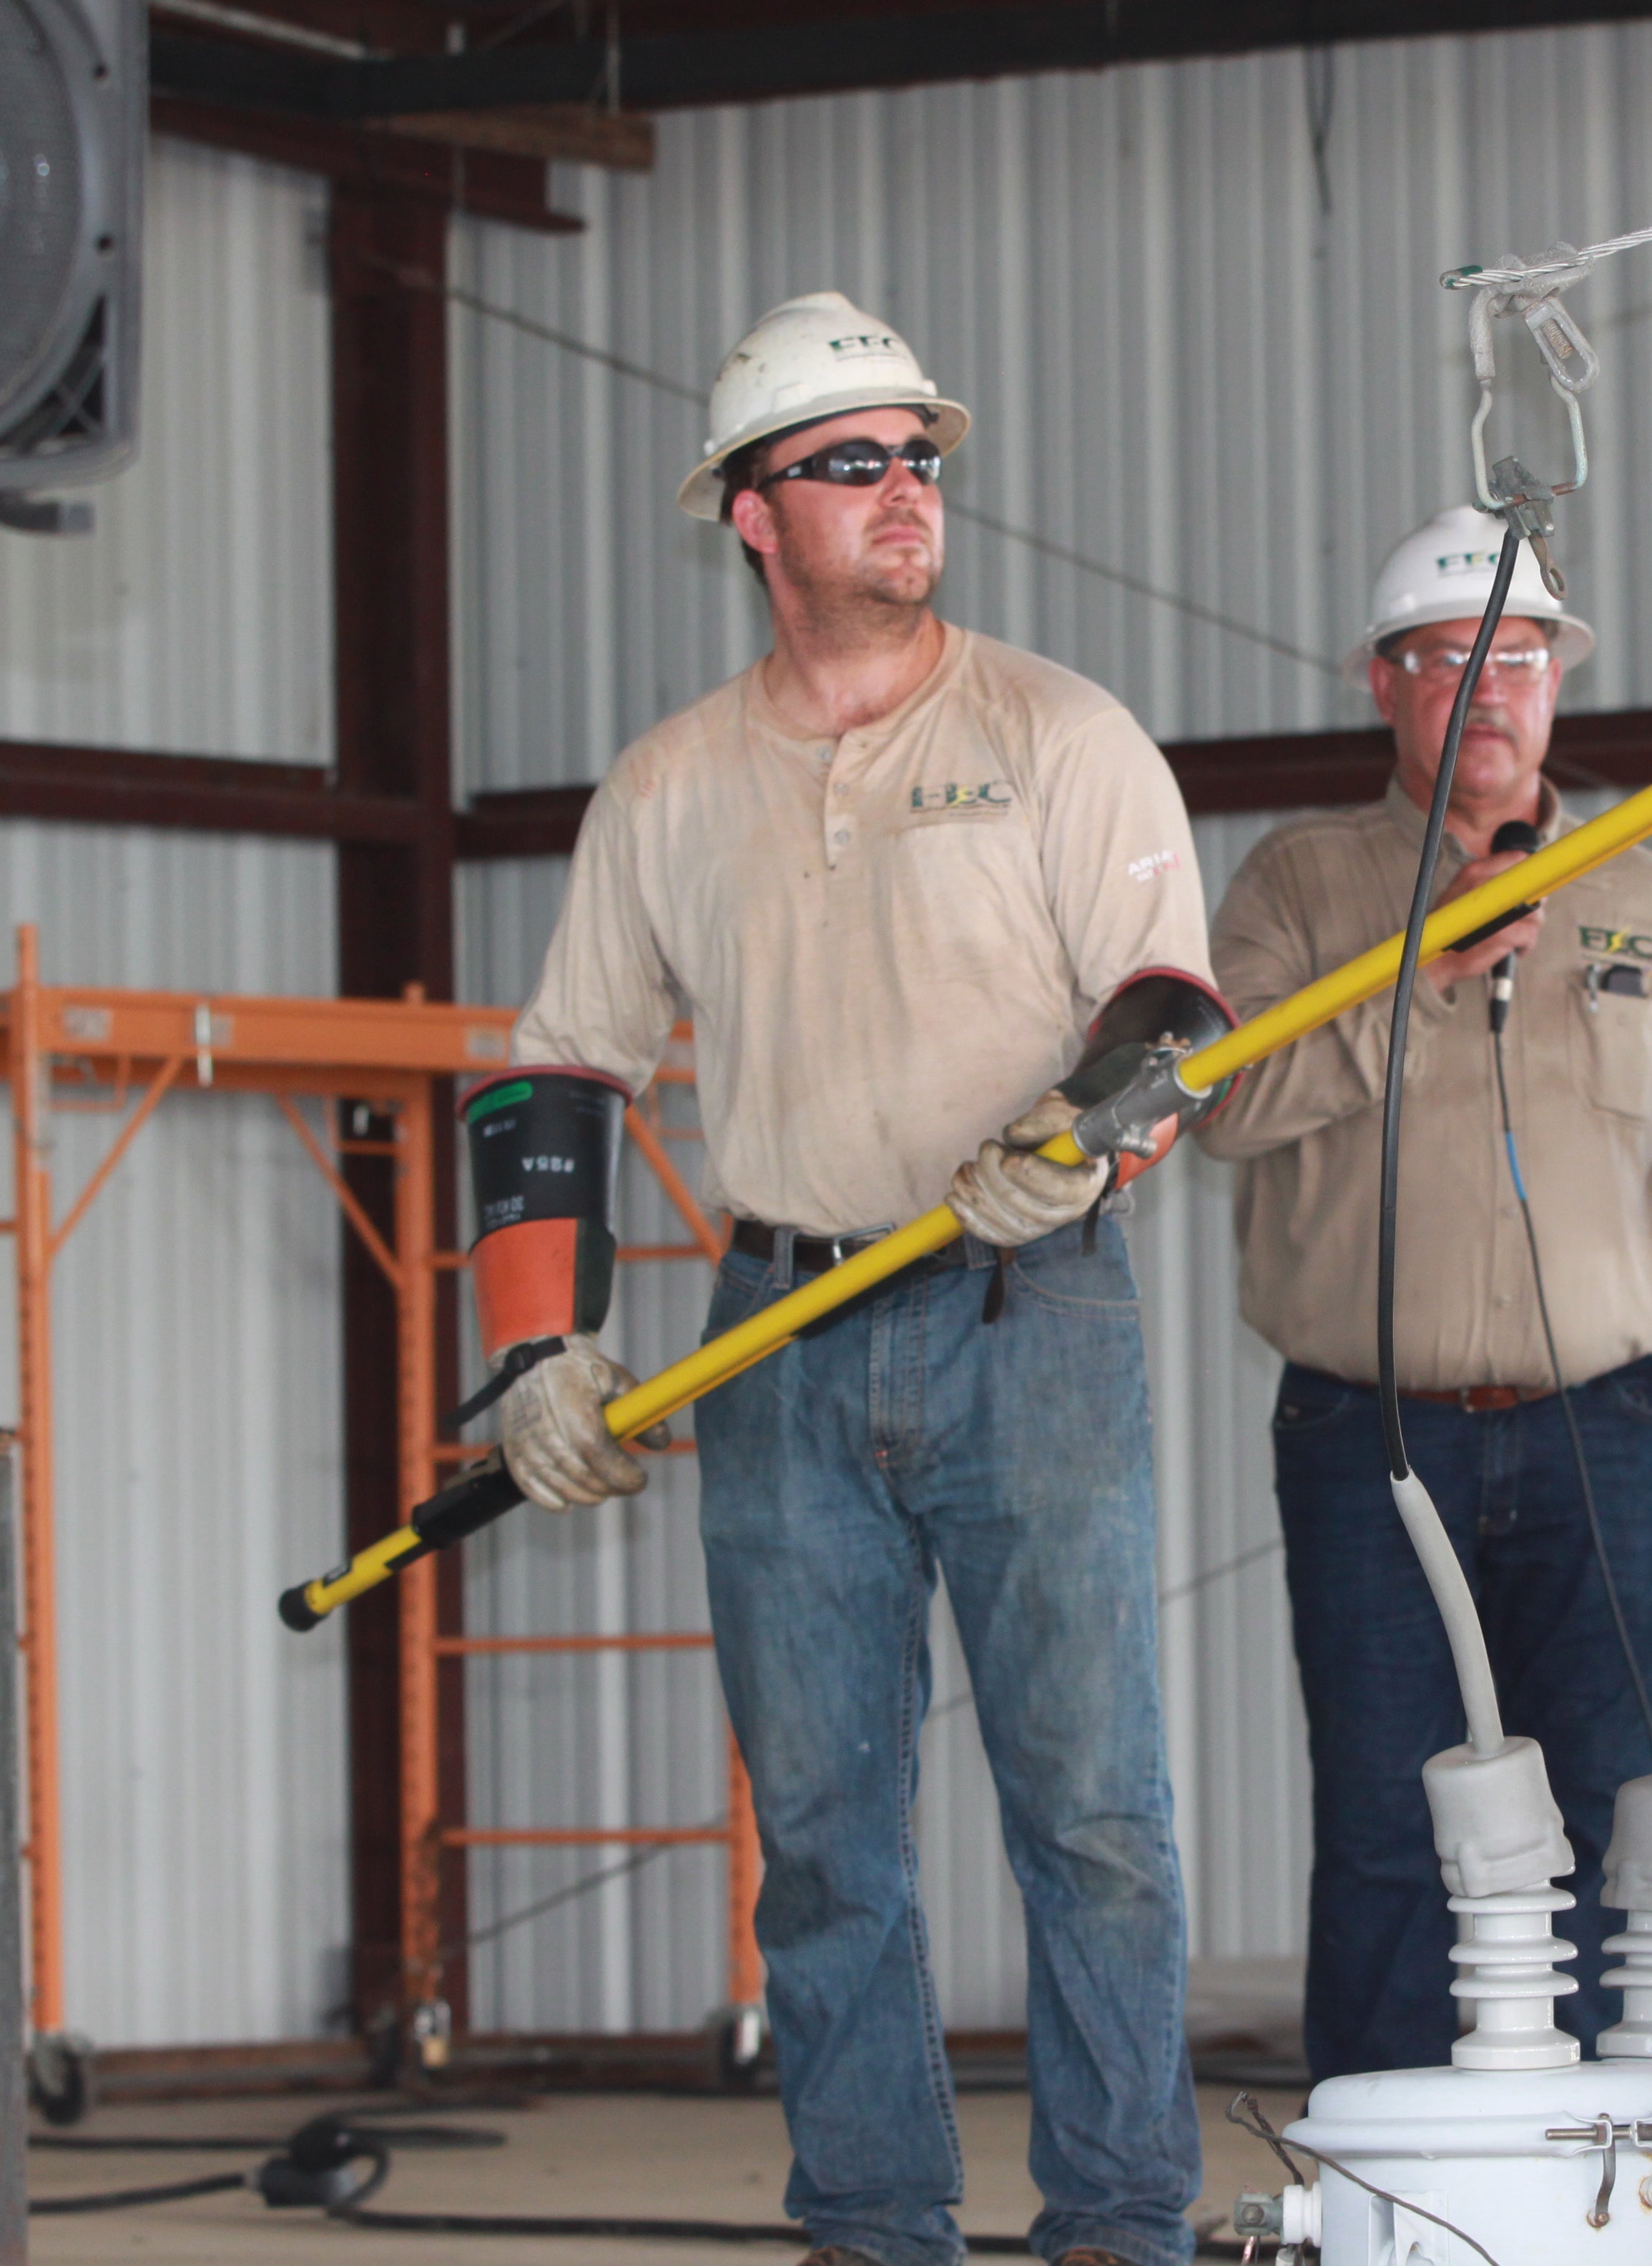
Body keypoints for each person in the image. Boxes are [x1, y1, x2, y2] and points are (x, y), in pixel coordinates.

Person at [464, 291, 1221, 2266]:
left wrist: (1091, 1133)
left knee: (1093, 1818)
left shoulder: (1059, 733)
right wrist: (534, 1345)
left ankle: (1123, 2226)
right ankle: (876, 2227)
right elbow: (556, 1078)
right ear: (750, 513)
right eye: (854, 461)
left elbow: (1168, 1011)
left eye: (921, 458)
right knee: (820, 1841)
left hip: (1028, 1313)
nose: (908, 492)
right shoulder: (668, 789)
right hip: (780, 1335)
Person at [1196, 505, 1652, 2080]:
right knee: (1397, 1818)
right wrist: (1421, 983)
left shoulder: (1649, 901)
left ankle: (1597, 2166)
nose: (1491, 691)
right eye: (1453, 661)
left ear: (1559, 686)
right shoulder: (1298, 890)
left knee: (1607, 1800)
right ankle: (1396, 2178)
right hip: (1367, 1439)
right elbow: (1221, 1105)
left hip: (1599, 1430)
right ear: (1386, 685)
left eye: (1520, 659)